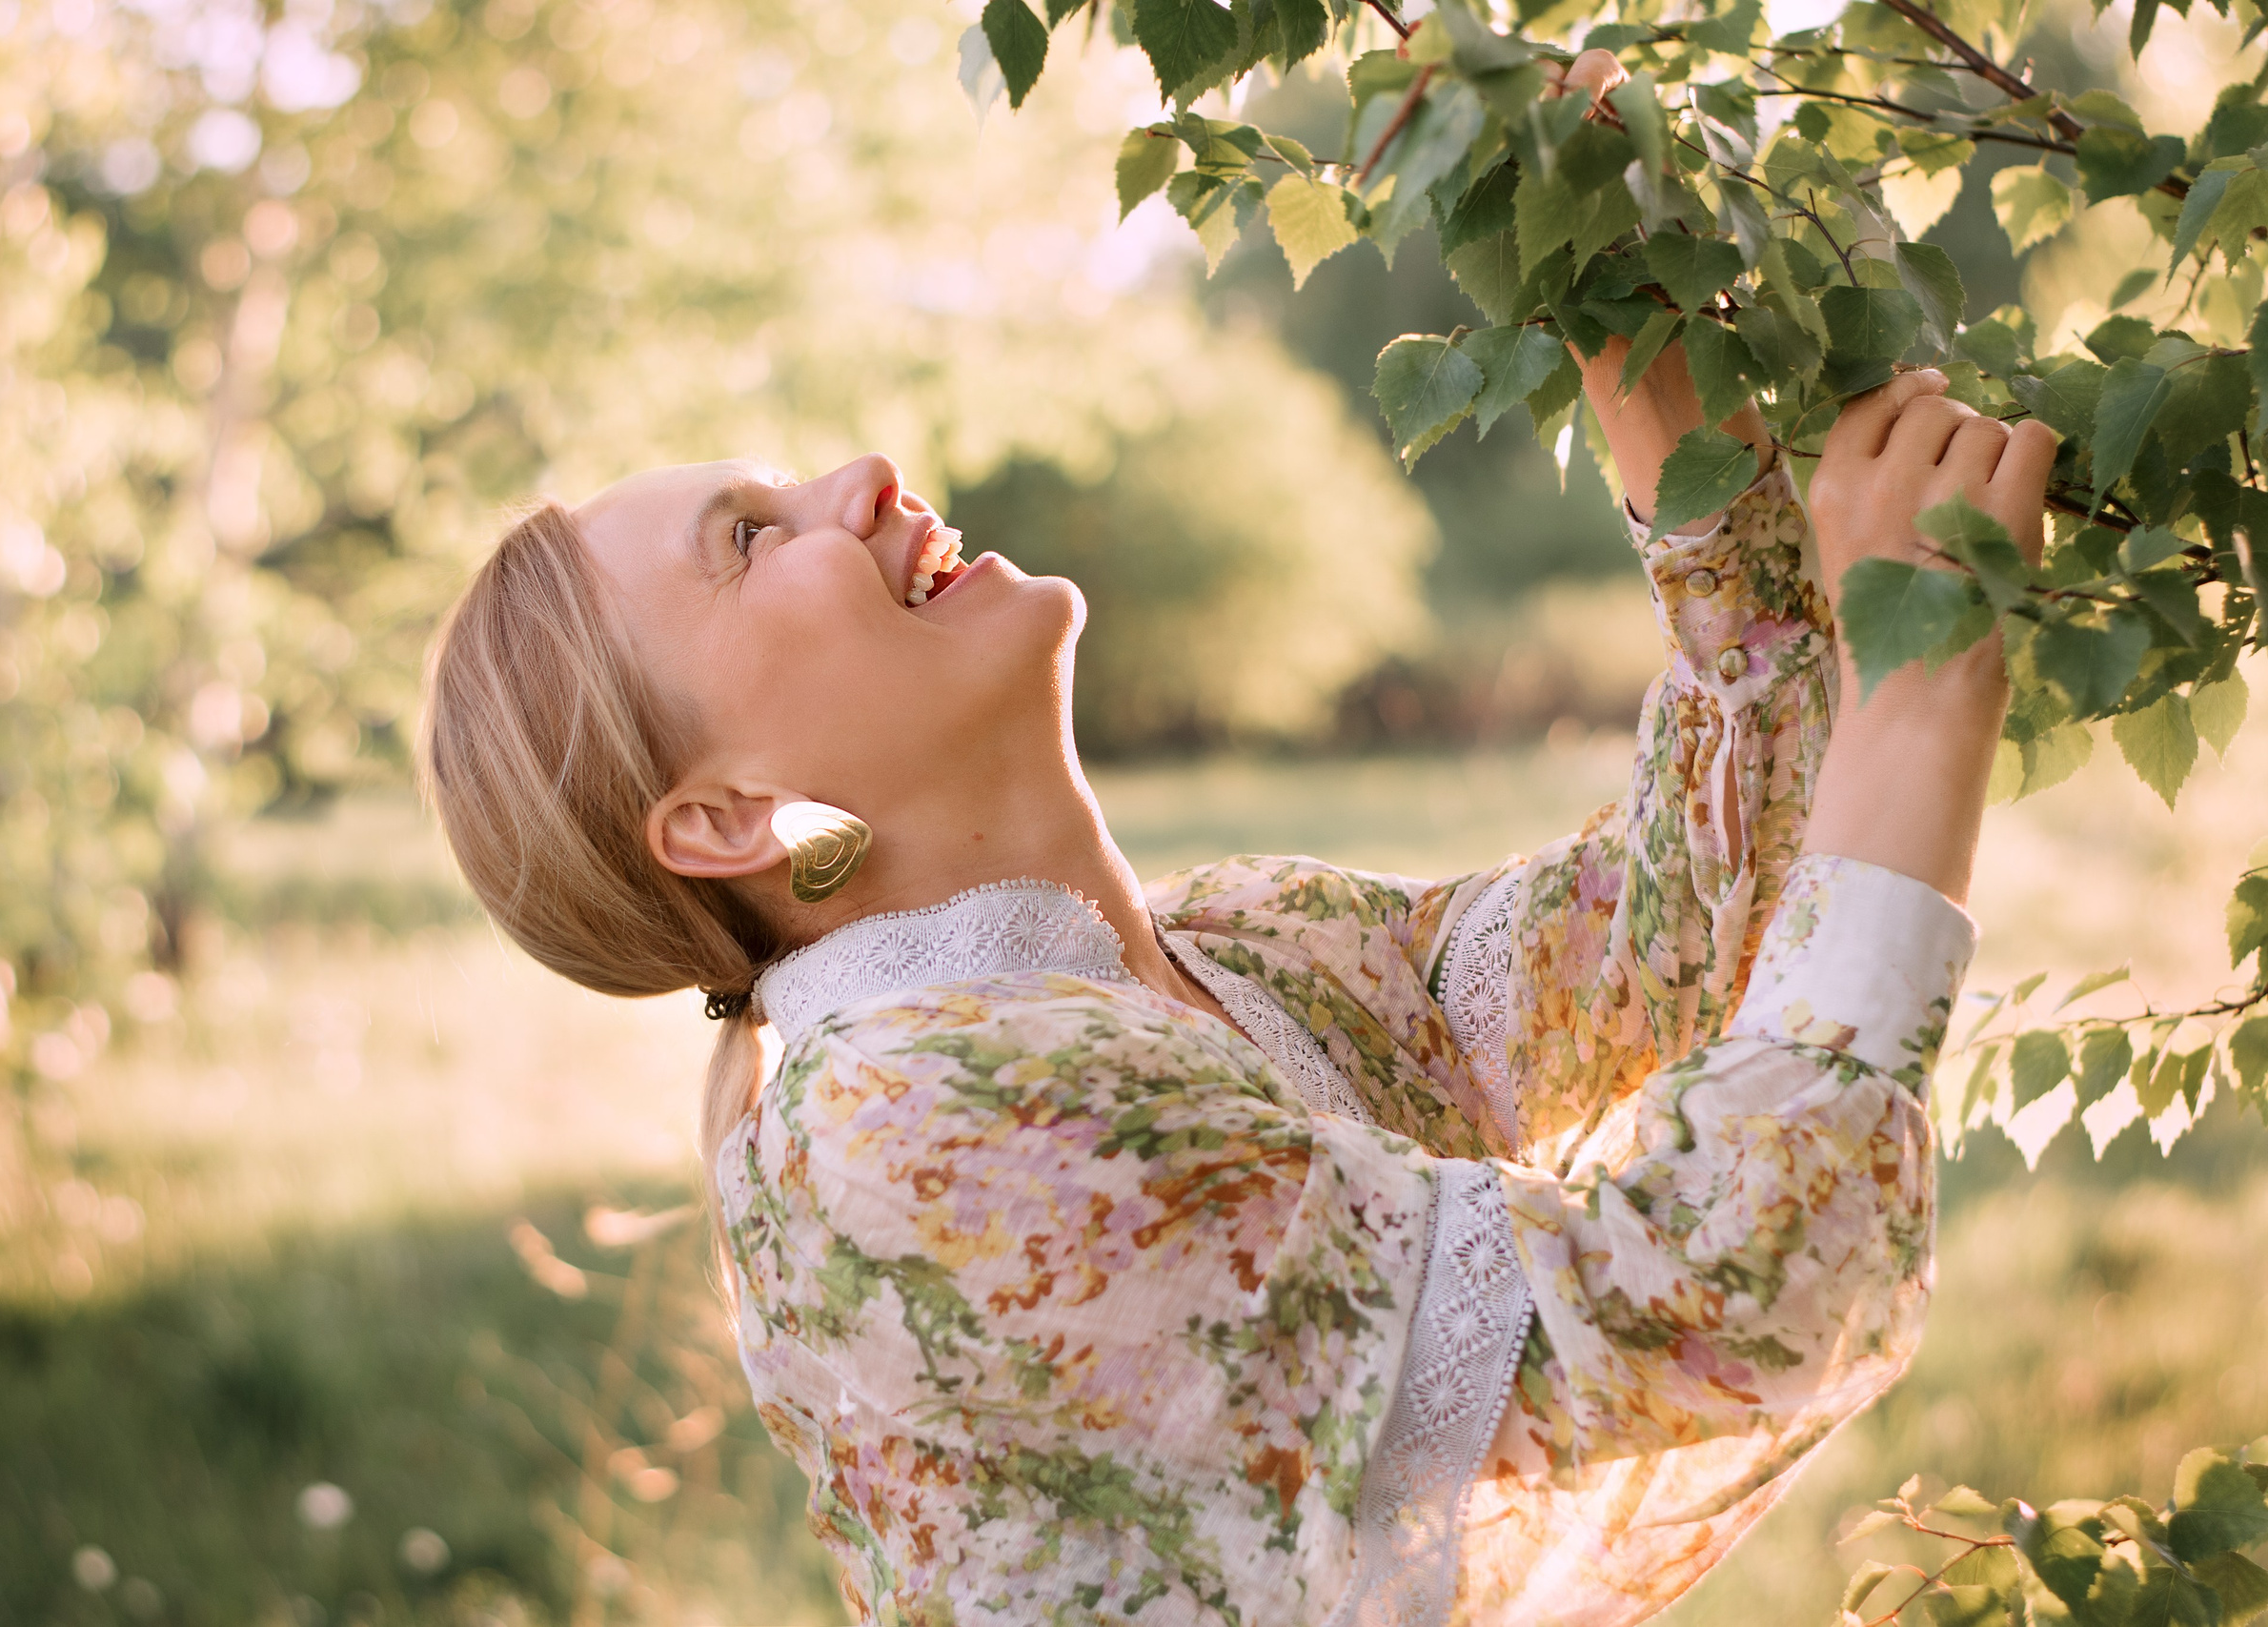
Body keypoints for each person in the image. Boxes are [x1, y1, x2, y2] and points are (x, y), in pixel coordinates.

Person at [419, 62, 2056, 1620]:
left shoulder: (1243, 953)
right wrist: (1917, 691)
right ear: (719, 817)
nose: (863, 476)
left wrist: (1644, 369)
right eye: (750, 535)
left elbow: (1672, 937)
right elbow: (1714, 1295)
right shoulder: (913, 1129)